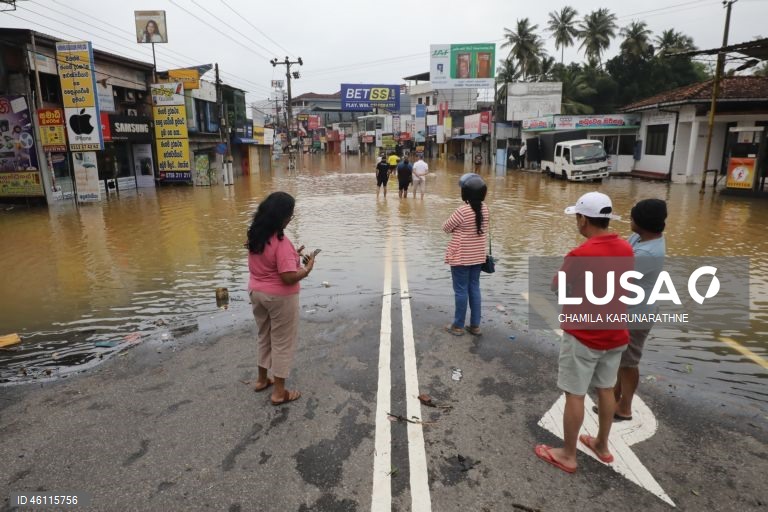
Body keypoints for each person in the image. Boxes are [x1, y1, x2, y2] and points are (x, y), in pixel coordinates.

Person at [535, 191, 634, 473]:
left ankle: (567, 455)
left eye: (576, 218)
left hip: (584, 336)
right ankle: (602, 445)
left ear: (582, 220)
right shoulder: (626, 248)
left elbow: (557, 286)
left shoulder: (580, 254)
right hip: (615, 334)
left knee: (575, 393)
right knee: (605, 388)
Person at [247, 192, 316, 406]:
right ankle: (279, 392)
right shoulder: (281, 241)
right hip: (279, 298)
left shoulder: (255, 235)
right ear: (282, 217)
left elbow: (268, 259)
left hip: (256, 293)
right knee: (282, 342)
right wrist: (307, 268)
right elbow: (287, 277)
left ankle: (261, 380)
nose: (291, 219)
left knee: (264, 336)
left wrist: (293, 255)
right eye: (291, 215)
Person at [601, 199, 667, 421]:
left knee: (629, 362)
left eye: (633, 218)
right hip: (628, 309)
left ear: (643, 222)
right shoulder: (641, 238)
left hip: (637, 313)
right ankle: (615, 398)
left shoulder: (649, 253)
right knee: (621, 359)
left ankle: (625, 407)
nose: (630, 221)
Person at [443, 175, 489, 336]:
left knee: (461, 290)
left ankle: (458, 326)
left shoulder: (462, 211)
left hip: (461, 257)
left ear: (465, 194)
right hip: (478, 257)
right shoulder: (485, 209)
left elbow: (446, 228)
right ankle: (475, 325)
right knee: (474, 288)